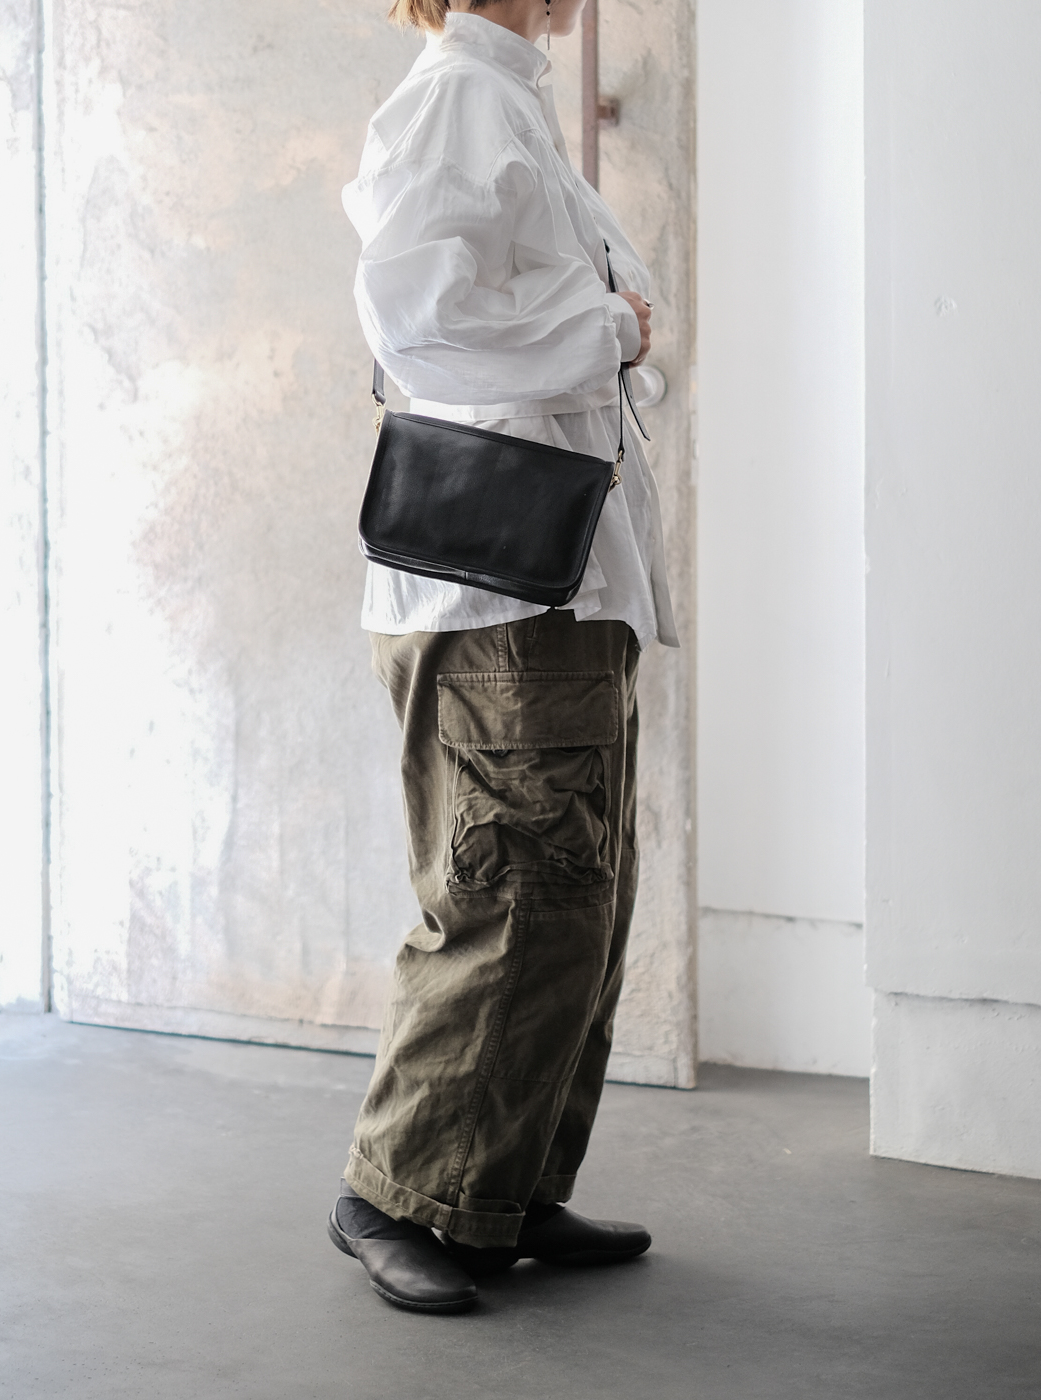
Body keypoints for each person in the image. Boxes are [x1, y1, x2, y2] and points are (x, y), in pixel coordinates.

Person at [329, 0, 679, 1314]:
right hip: (497, 595)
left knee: (578, 896)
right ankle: (395, 1196)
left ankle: (503, 1183)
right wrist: (610, 331)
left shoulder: (505, 94)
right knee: (511, 893)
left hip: (554, 579)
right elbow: (416, 325)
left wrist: (607, 331)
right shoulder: (456, 100)